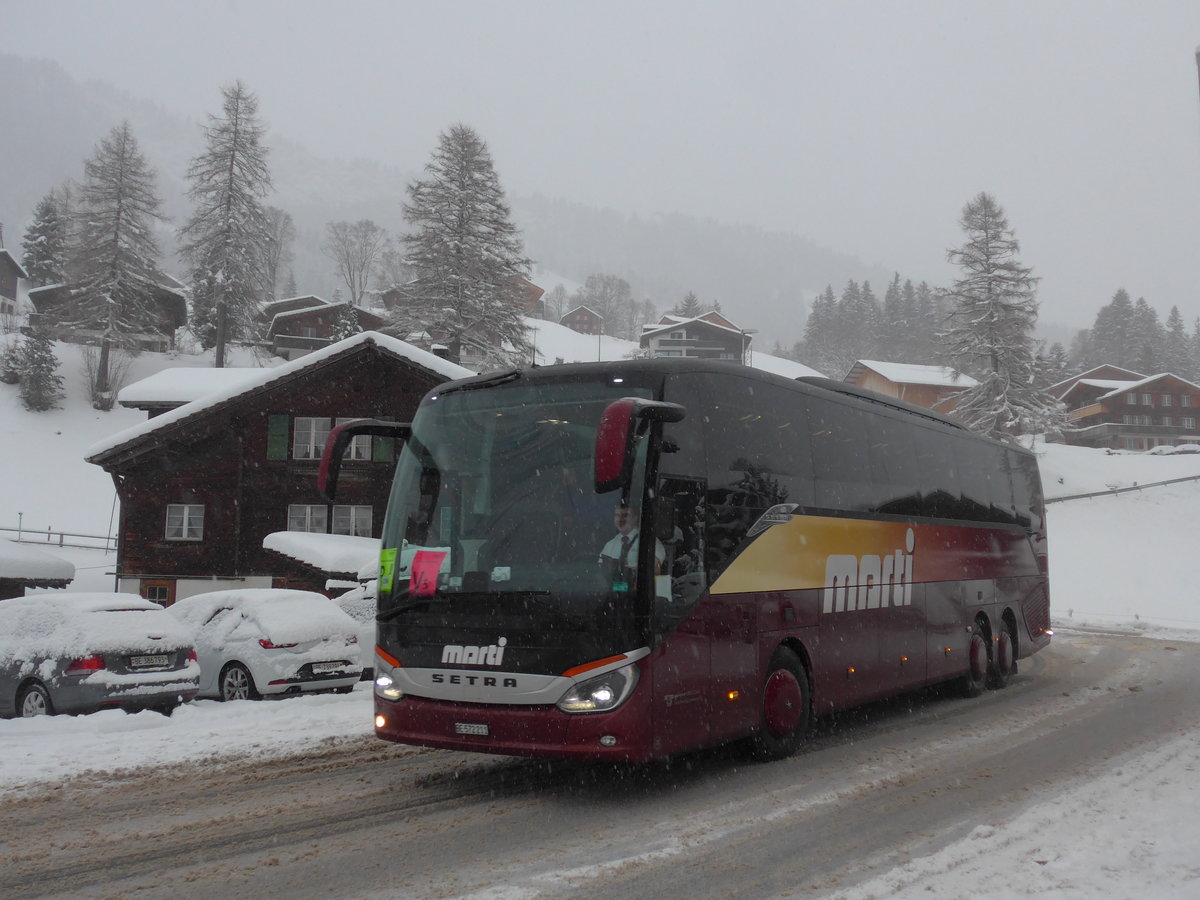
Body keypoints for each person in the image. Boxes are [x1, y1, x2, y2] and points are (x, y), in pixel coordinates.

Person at [598, 502, 665, 581]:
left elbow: (655, 568)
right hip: (613, 591)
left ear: (635, 518)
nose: (621, 520)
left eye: (625, 515)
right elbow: (601, 572)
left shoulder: (649, 541)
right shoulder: (609, 545)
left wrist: (629, 571)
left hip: (639, 591)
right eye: (617, 515)